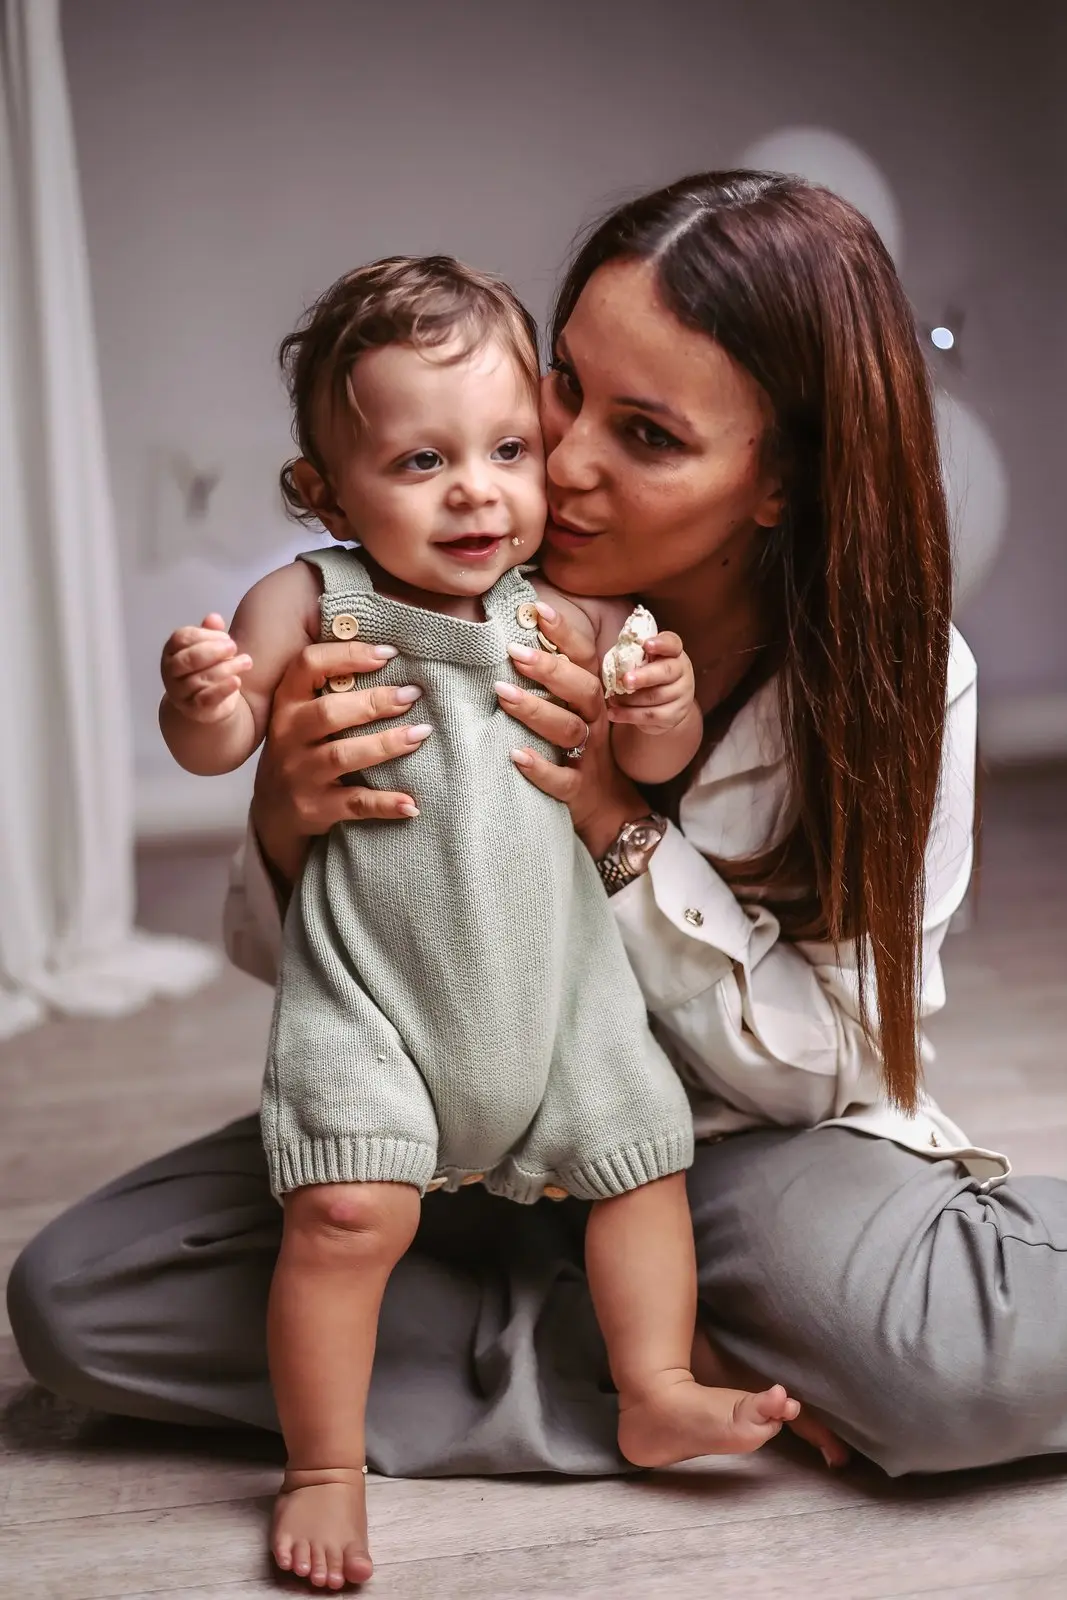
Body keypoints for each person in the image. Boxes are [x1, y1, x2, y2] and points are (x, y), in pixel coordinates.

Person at [8, 171, 1067, 1528]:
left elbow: (824, 1065)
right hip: (449, 1098)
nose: (551, 465)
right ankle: (686, 1363)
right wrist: (282, 820)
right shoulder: (415, 590)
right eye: (563, 387)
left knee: (941, 1374)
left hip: (734, 1147)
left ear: (775, 482)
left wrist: (610, 821)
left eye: (644, 434)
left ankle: (670, 1335)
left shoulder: (896, 683)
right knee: (82, 1300)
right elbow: (337, 967)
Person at [158, 254, 795, 1589]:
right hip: (370, 994)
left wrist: (657, 702)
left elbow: (658, 759)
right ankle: (324, 1463)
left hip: (556, 996)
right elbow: (220, 749)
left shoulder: (566, 611)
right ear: (325, 490)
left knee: (641, 1161)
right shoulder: (311, 601)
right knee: (340, 1218)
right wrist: (208, 694)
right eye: (419, 461)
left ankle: (653, 1383)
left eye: (508, 447)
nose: (477, 490)